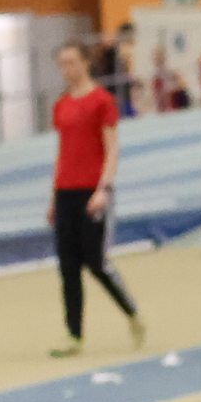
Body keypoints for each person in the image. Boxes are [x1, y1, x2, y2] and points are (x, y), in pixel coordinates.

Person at [45, 40, 141, 358]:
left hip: (92, 191)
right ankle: (73, 333)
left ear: (85, 63)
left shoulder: (102, 101)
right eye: (62, 64)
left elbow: (112, 148)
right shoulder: (61, 105)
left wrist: (104, 188)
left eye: (72, 62)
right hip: (66, 191)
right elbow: (62, 152)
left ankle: (131, 311)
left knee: (95, 262)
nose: (67, 69)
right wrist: (53, 197)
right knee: (67, 266)